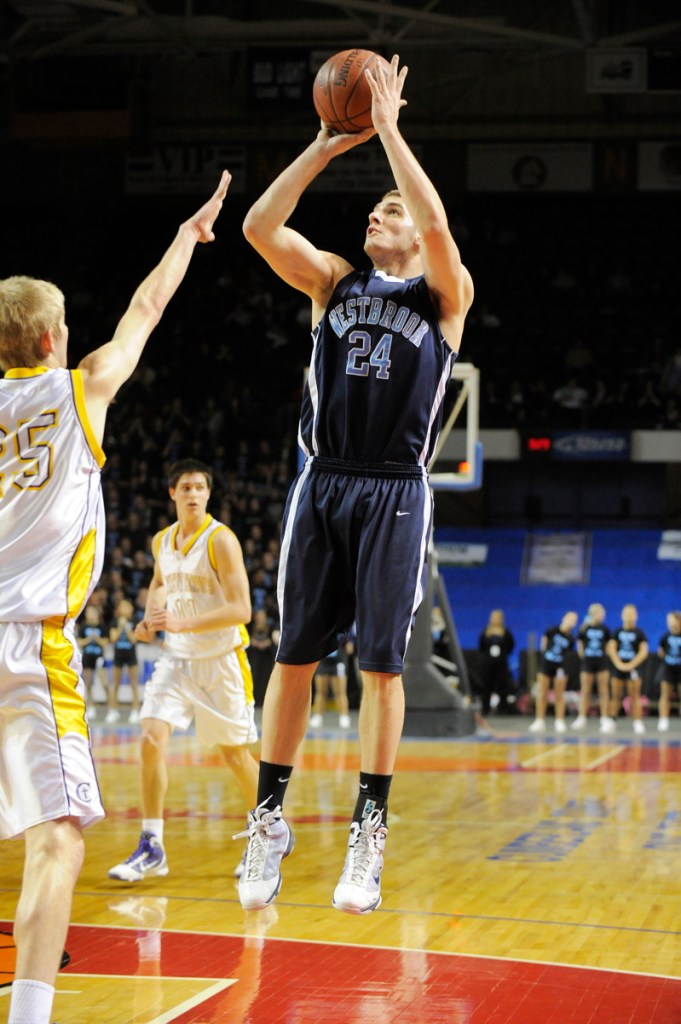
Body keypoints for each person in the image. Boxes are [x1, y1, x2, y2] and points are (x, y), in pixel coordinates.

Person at [236, 54, 473, 915]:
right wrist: (329, 144)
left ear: (412, 233)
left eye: (392, 208)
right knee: (292, 657)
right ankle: (268, 817)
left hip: (396, 491)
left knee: (379, 665)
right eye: (374, 207)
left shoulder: (442, 297)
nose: (380, 211)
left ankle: (367, 832)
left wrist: (395, 132)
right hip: (323, 480)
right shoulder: (333, 281)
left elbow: (441, 231)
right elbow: (263, 227)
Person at [0, 170, 230, 1024]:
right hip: (31, 646)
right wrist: (186, 237)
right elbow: (144, 311)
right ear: (57, 338)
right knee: (56, 838)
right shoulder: (81, 387)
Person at [108, 458, 258, 883]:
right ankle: (151, 845)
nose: (193, 494)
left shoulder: (221, 540)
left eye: (200, 488)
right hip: (176, 659)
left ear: (208, 495)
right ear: (172, 493)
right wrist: (151, 616)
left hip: (221, 661)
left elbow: (242, 609)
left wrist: (183, 622)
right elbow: (159, 582)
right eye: (185, 487)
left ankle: (264, 834)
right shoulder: (162, 541)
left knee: (234, 754)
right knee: (151, 738)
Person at [528, 612, 578, 734]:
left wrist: (563, 668)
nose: (571, 621)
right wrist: (546, 659)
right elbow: (543, 646)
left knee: (559, 694)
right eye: (569, 618)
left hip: (560, 667)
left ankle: (559, 720)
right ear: (564, 618)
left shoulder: (571, 638)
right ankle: (539, 720)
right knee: (542, 693)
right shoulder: (552, 631)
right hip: (546, 664)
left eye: (574, 620)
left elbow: (569, 655)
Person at [572, 603, 614, 734]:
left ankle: (604, 718)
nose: (602, 616)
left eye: (603, 614)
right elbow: (580, 642)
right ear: (593, 614)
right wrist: (583, 655)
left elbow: (608, 645)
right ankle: (582, 717)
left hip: (601, 661)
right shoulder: (584, 629)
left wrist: (604, 656)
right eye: (600, 613)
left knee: (603, 690)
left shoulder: (605, 629)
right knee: (585, 690)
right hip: (588, 661)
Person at [607, 604, 649, 734]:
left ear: (636, 616)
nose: (629, 617)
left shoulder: (639, 633)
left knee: (635, 696)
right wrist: (618, 663)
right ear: (622, 616)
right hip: (618, 668)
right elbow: (611, 648)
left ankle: (637, 722)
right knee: (615, 695)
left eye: (632, 614)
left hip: (634, 668)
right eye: (626, 614)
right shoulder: (617, 632)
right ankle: (612, 721)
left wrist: (632, 664)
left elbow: (643, 651)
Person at [108, 597, 141, 725]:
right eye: (122, 606)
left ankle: (135, 711)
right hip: (118, 655)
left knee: (134, 684)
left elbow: (134, 639)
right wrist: (120, 626)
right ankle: (112, 711)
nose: (125, 609)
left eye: (127, 606)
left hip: (131, 655)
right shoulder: (115, 622)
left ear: (131, 609)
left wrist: (126, 627)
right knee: (115, 684)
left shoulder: (134, 621)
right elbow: (113, 639)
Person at [477, 610, 515, 715]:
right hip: (488, 664)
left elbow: (511, 646)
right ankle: (485, 708)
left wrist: (503, 655)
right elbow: (481, 646)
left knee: (502, 685)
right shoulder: (486, 632)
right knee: (487, 685)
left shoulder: (506, 632)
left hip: (501, 663)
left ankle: (503, 708)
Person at [77, 604, 108, 720]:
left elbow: (105, 642)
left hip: (99, 657)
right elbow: (79, 642)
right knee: (88, 683)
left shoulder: (102, 626)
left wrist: (97, 639)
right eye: (88, 612)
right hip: (87, 657)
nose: (90, 614)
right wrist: (89, 639)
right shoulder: (83, 627)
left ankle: (111, 708)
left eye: (92, 612)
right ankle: (91, 707)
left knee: (105, 683)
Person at [309, 647, 351, 730]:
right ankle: (317, 716)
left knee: (340, 691)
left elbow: (350, 649)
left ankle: (344, 716)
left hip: (338, 661)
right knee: (320, 691)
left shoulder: (343, 634)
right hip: (323, 661)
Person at [656, 611, 681, 732]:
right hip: (668, 668)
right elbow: (660, 651)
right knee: (665, 694)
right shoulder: (666, 636)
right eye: (669, 621)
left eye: (673, 620)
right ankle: (663, 720)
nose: (670, 623)